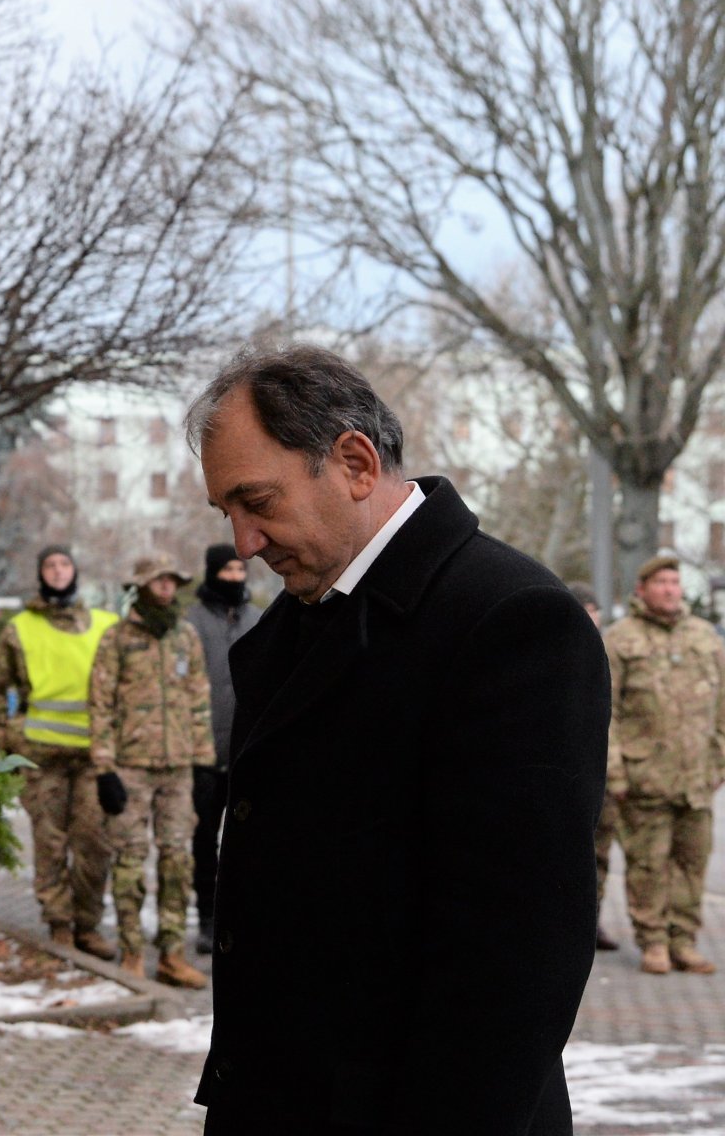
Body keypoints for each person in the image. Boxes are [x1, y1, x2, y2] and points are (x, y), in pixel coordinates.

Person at [188, 344, 607, 1134]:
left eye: (257, 501)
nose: (244, 542)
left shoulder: (509, 619)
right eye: (227, 514)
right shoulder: (298, 620)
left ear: (353, 461)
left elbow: (518, 958)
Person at [0, 546, 121, 960]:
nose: (57, 571)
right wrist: (5, 737)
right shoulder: (19, 628)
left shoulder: (106, 625)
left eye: (64, 564)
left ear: (75, 571)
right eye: (49, 565)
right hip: (41, 759)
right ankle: (59, 925)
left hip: (95, 758)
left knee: (94, 843)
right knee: (50, 844)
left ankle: (88, 925)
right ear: (41, 574)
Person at [86, 557, 213, 989]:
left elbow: (199, 701)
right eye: (159, 581)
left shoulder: (186, 637)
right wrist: (104, 769)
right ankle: (132, 952)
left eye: (172, 582)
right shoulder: (116, 639)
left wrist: (204, 762)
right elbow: (99, 706)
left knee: (178, 861)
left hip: (178, 770)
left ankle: (172, 953)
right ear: (140, 585)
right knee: (129, 862)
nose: (167, 589)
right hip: (130, 768)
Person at [606, 555, 725, 976]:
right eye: (661, 582)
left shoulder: (705, 637)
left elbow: (723, 705)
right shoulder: (622, 639)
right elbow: (607, 711)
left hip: (697, 776)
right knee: (648, 864)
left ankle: (683, 940)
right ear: (642, 590)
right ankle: (653, 941)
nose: (671, 589)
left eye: (675, 582)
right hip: (644, 776)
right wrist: (616, 769)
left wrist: (720, 759)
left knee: (692, 864)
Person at [184, 544, 261, 955]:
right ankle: (208, 918)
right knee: (203, 842)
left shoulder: (257, 618)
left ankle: (243, 918)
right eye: (227, 569)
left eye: (239, 568)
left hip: (246, 753)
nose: (235, 576)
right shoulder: (191, 623)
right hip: (202, 755)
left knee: (246, 844)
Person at [569, 580, 624, 953]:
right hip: (570, 771)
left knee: (599, 855)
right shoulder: (549, 649)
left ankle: (591, 921)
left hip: (609, 767)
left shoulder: (608, 651)